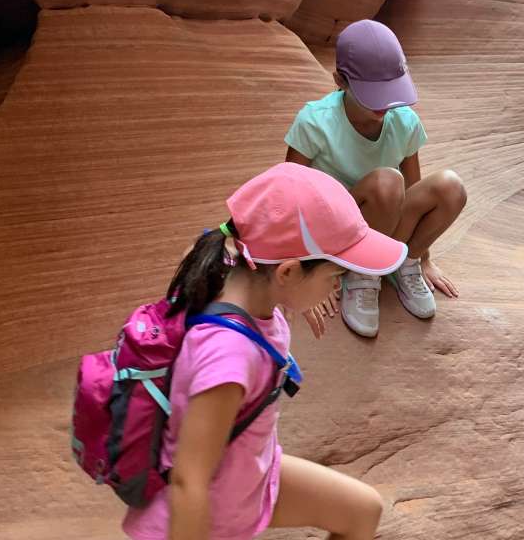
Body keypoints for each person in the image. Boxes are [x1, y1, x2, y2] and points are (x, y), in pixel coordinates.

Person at [123, 163, 405, 540]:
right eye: (334, 277)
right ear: (287, 272)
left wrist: (296, 298)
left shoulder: (230, 268)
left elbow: (208, 243)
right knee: (360, 511)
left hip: (250, 475)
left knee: (362, 511)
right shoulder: (230, 356)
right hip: (210, 514)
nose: (335, 289)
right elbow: (189, 480)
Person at [285, 19, 467, 338]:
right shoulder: (315, 122)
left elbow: (414, 190)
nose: (384, 104)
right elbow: (290, 197)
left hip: (385, 223)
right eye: (373, 93)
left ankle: (402, 263)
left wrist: (423, 257)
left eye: (390, 91)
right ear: (340, 80)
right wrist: (310, 273)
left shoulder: (403, 121)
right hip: (336, 231)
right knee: (386, 183)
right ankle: (361, 274)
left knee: (451, 187)